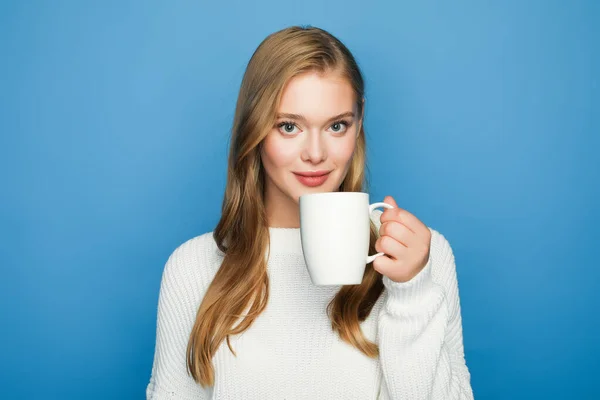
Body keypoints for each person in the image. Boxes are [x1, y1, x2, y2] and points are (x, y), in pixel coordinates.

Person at [146, 25, 474, 399]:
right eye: (289, 126)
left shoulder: (420, 257)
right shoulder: (193, 268)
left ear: (358, 121)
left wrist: (411, 291)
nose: (315, 153)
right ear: (255, 128)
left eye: (337, 126)